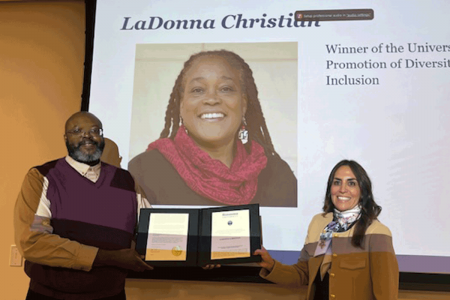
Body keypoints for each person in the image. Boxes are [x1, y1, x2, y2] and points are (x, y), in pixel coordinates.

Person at [128, 50, 297, 207]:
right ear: (181, 105)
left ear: (243, 104)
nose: (211, 99)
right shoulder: (144, 171)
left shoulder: (277, 174)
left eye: (225, 89)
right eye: (198, 90)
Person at [14, 112, 153, 300]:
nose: (87, 136)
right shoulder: (43, 177)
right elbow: (34, 242)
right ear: (65, 138)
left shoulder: (126, 181)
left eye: (94, 130)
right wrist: (107, 257)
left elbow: (151, 232)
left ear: (101, 137)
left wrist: (200, 253)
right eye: (77, 130)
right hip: (50, 295)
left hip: (111, 294)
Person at [255, 160, 399, 300]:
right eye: (337, 182)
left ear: (363, 190)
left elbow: (386, 295)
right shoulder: (319, 223)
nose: (342, 189)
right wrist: (271, 265)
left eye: (351, 183)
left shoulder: (377, 233)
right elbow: (303, 273)